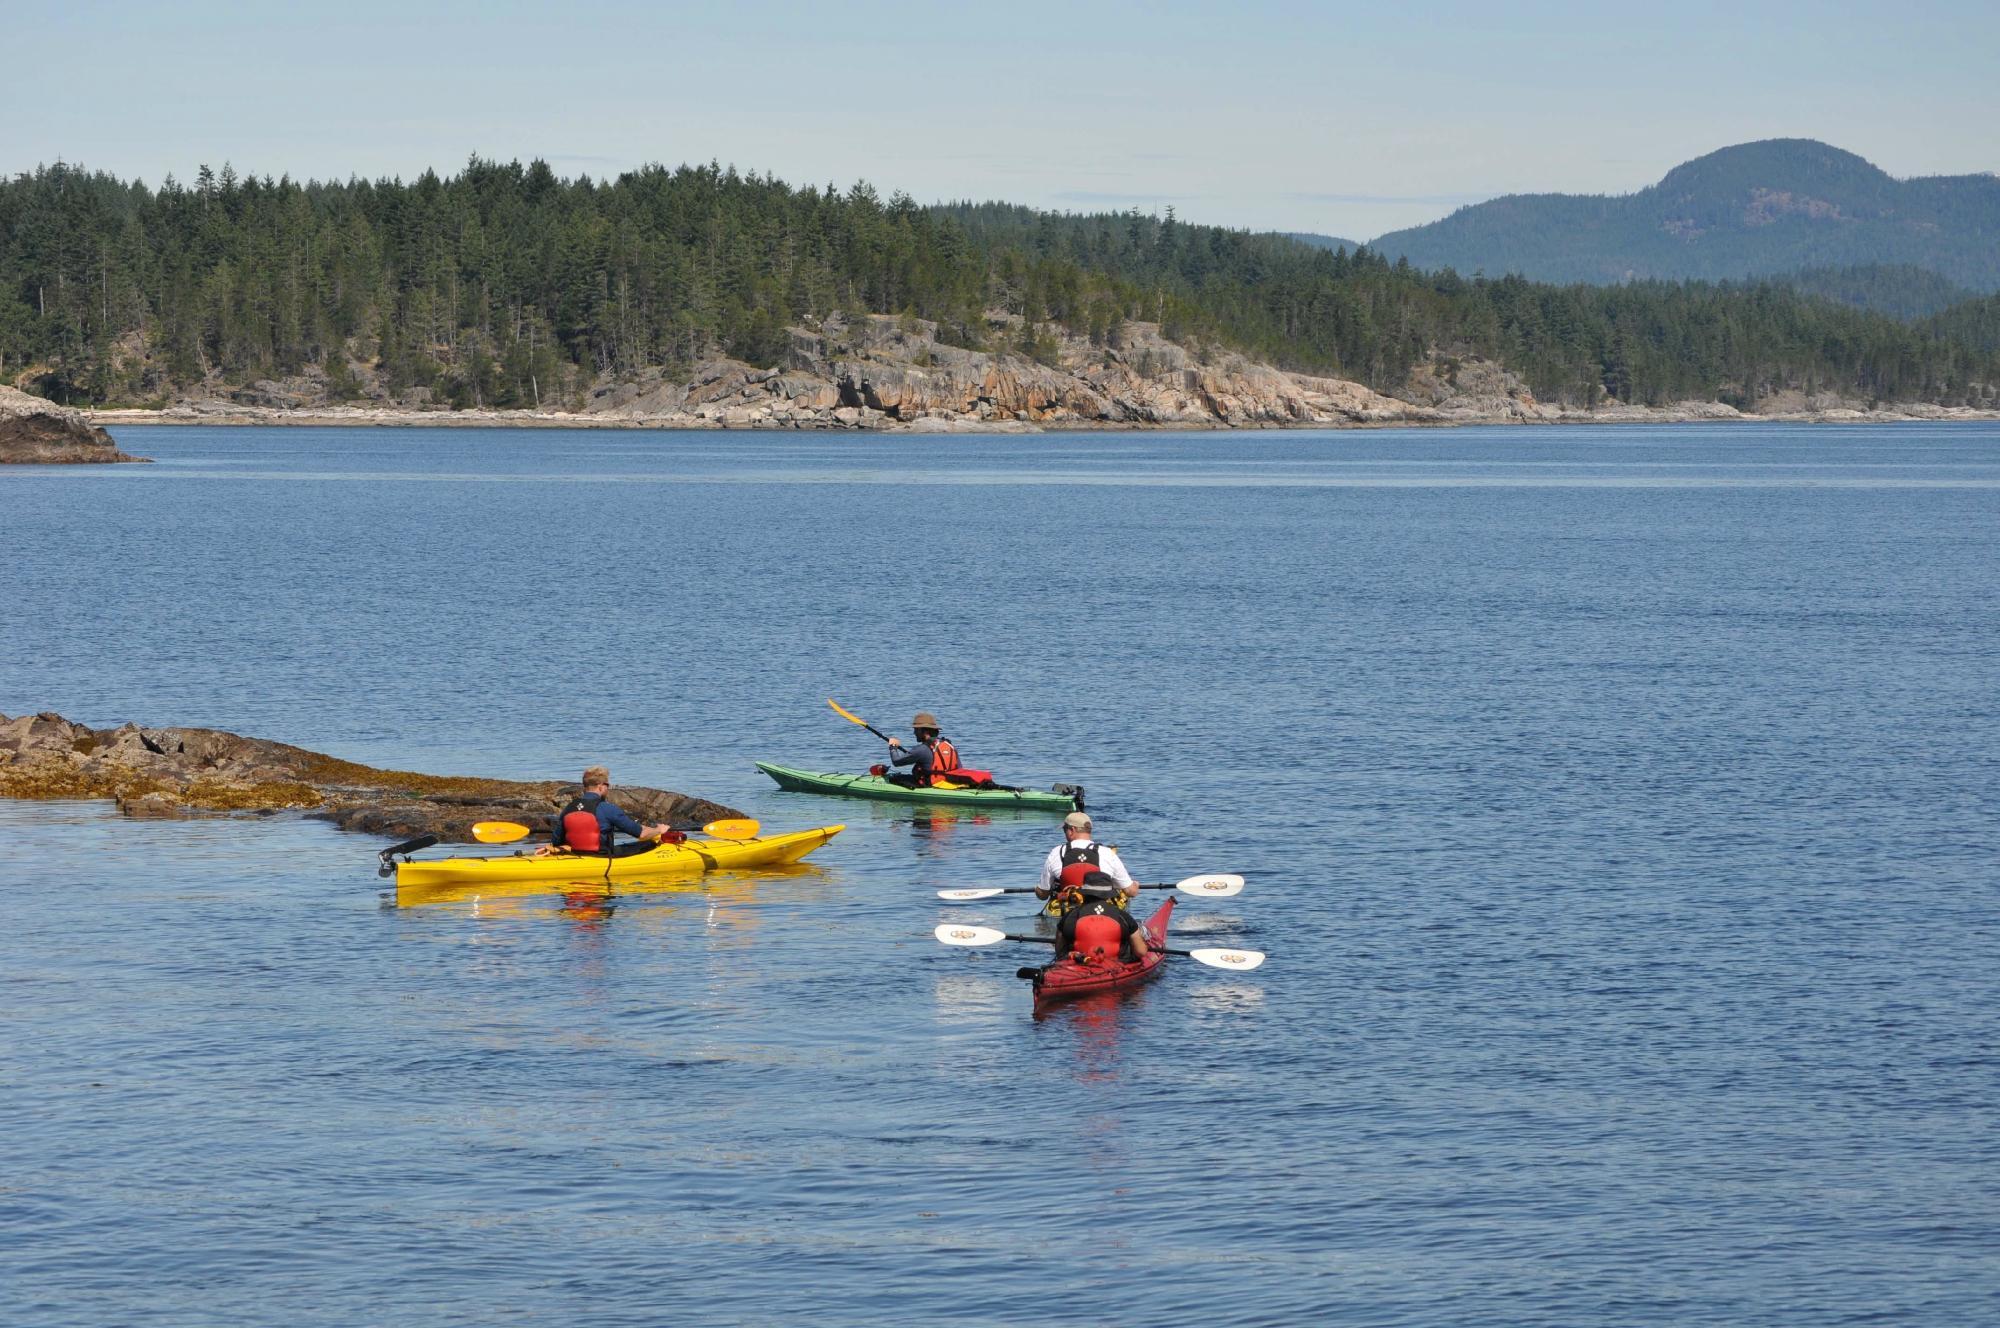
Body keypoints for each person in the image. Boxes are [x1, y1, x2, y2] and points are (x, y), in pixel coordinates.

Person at [541, 766, 679, 857]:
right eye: (607, 785)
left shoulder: (569, 808)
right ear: (601, 787)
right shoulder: (607, 808)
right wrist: (659, 830)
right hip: (602, 857)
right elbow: (641, 834)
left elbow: (556, 841)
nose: (608, 788)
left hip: (574, 856)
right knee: (648, 844)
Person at [1035, 810, 1134, 909]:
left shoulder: (1057, 852)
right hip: (1101, 911)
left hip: (1069, 912)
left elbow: (1043, 894)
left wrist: (1038, 890)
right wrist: (1135, 885)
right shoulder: (1107, 853)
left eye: (1065, 829)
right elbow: (1131, 891)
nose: (1064, 833)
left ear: (1071, 830)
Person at [1054, 880, 1151, 965]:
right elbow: (1141, 952)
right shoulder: (1123, 917)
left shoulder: (1069, 917)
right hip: (1116, 966)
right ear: (1108, 895)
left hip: (1079, 965)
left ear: (1084, 893)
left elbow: (1060, 953)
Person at [882, 711, 965, 787]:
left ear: (925, 732)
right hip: (948, 783)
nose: (914, 733)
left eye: (916, 730)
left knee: (895, 778)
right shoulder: (950, 746)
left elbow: (896, 762)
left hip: (929, 784)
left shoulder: (921, 749)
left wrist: (893, 747)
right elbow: (959, 768)